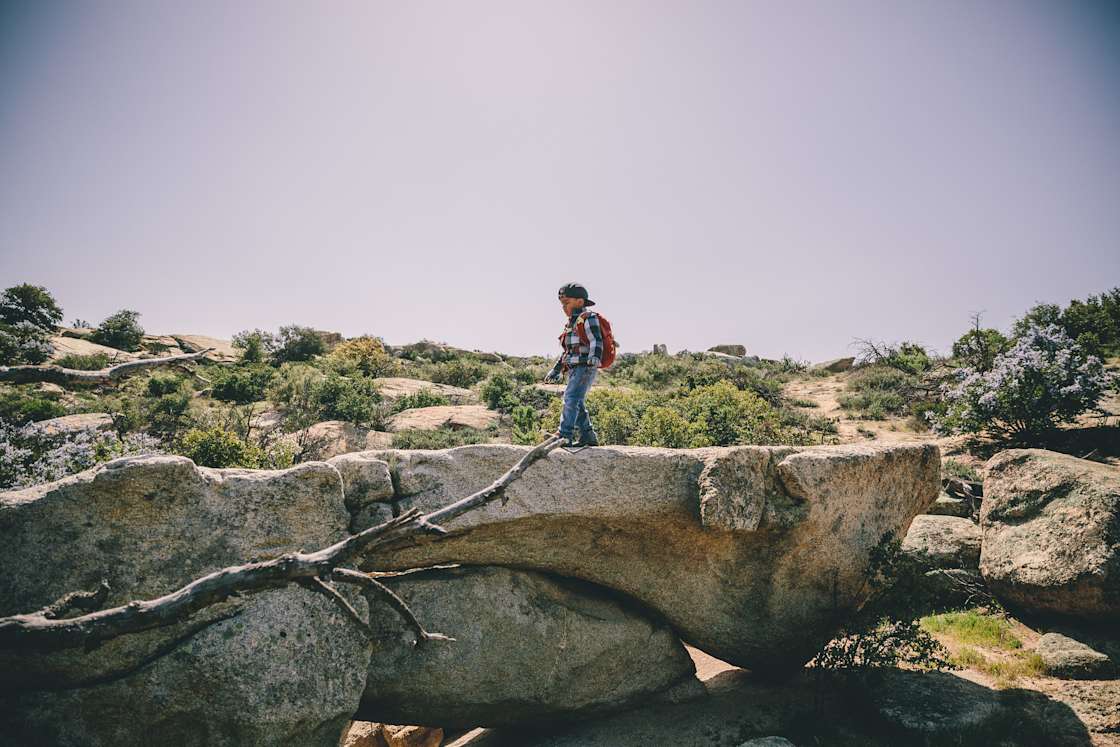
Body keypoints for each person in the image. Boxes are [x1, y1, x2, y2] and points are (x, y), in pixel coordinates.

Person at [544, 282, 602, 446]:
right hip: (575, 368)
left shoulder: (589, 318)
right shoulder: (570, 324)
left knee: (571, 398)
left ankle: (564, 434)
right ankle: (588, 436)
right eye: (562, 304)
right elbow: (567, 352)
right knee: (577, 401)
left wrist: (594, 357)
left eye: (567, 303)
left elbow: (595, 340)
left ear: (580, 302)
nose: (564, 307)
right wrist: (556, 370)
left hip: (585, 367)